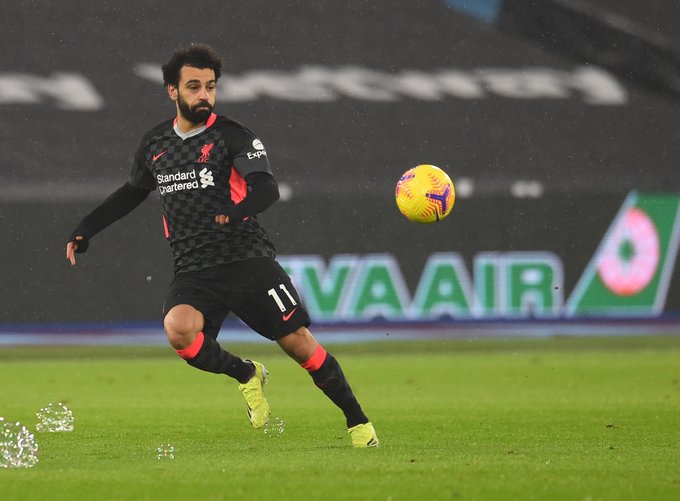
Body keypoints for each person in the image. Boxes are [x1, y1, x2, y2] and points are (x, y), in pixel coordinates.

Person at [65, 43, 378, 448]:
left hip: (246, 259)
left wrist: (237, 212)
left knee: (299, 345)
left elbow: (266, 188)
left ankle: (358, 423)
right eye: (193, 86)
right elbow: (132, 192)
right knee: (179, 331)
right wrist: (86, 228)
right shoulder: (155, 143)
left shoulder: (232, 135)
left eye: (210, 86)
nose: (204, 95)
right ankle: (246, 373)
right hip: (193, 267)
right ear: (172, 90)